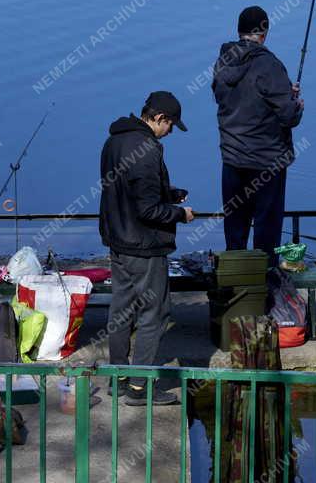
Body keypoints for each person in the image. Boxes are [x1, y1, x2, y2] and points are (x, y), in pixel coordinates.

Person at [99, 91, 194, 406]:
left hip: (118, 240)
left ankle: (118, 378)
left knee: (122, 307)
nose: (170, 132)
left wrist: (168, 192)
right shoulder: (147, 149)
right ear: (159, 119)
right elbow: (148, 210)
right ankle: (141, 388)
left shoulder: (114, 141)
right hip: (144, 245)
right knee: (155, 312)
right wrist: (181, 214)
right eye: (170, 125)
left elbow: (130, 190)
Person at [212, 5, 304, 266]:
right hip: (266, 163)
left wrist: (282, 91)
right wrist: (294, 102)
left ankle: (237, 286)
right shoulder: (269, 65)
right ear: (263, 32)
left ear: (239, 31)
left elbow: (231, 98)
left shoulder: (223, 62)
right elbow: (288, 117)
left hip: (232, 160)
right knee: (266, 229)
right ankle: (265, 288)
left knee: (236, 228)